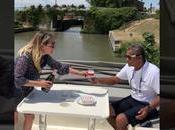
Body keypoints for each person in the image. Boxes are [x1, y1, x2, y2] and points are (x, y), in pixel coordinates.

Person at [14, 31, 89, 130]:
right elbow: (17, 79)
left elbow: (60, 67)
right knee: (14, 119)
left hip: (27, 90)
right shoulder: (25, 57)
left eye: (54, 44)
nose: (54, 47)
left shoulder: (45, 57)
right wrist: (39, 83)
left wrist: (81, 73)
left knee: (30, 116)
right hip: (12, 90)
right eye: (52, 45)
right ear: (42, 45)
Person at [90, 44, 160, 130]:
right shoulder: (129, 67)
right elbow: (115, 79)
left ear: (139, 58)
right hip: (133, 99)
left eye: (129, 57)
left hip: (148, 105)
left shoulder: (154, 72)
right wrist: (98, 80)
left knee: (121, 119)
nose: (126, 59)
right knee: (107, 111)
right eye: (126, 56)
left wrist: (148, 108)